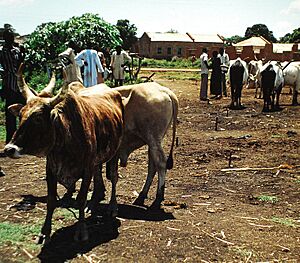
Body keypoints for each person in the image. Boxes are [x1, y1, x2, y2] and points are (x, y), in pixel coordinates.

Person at [0, 28, 25, 143]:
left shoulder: (17, 51)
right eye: (8, 38)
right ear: (5, 39)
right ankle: (10, 140)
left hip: (19, 85)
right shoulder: (1, 51)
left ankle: (22, 138)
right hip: (8, 85)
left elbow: (21, 64)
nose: (10, 40)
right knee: (10, 115)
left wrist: (23, 55)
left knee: (23, 111)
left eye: (11, 37)